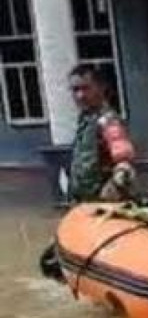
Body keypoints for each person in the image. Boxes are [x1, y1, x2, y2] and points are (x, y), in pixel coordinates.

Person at [39, 65, 136, 281]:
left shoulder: (107, 121)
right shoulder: (86, 121)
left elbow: (124, 159)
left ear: (102, 88)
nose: (80, 95)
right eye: (75, 90)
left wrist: (114, 186)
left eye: (85, 88)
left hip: (104, 211)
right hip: (83, 208)